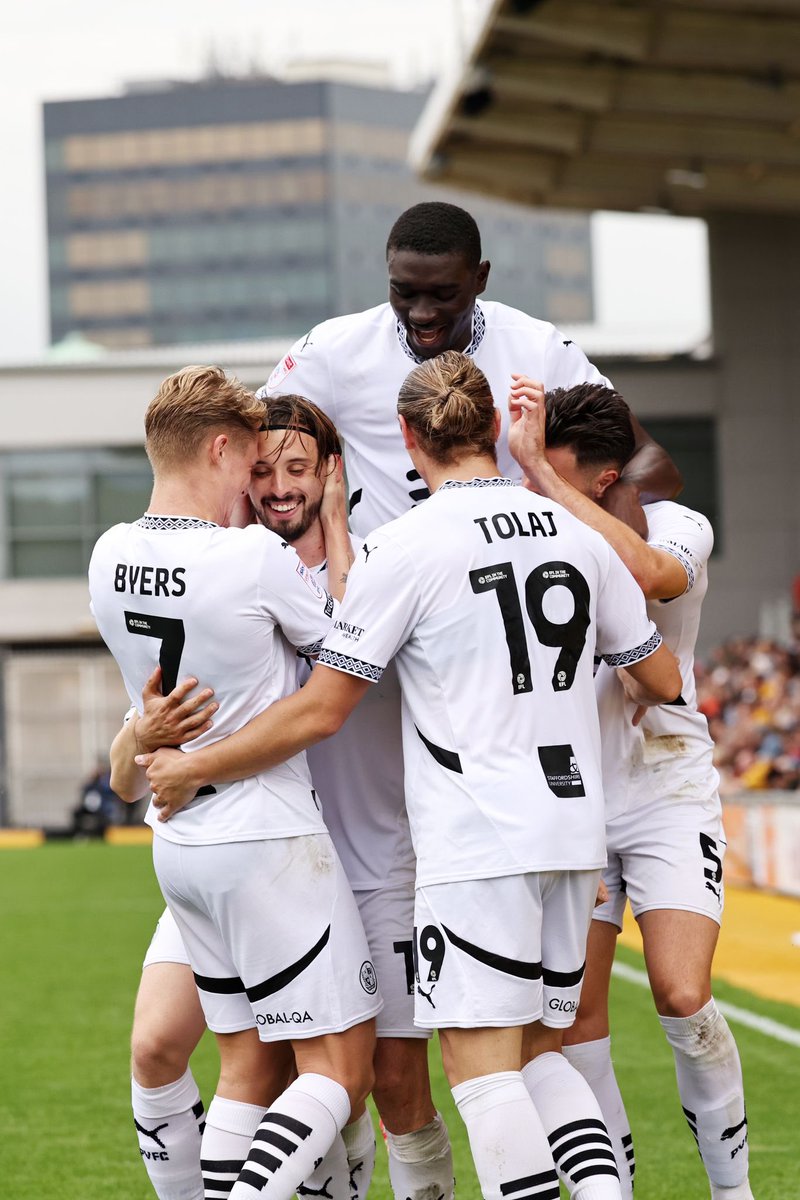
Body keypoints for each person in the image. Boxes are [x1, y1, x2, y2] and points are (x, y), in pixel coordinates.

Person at [137, 352, 682, 1200]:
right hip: (576, 831)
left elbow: (325, 707)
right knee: (541, 1052)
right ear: (493, 429)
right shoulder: (576, 535)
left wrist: (189, 764)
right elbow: (662, 680)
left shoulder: (403, 547)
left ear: (402, 438)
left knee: (478, 1068)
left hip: (476, 838)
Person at [112, 395, 453, 1200]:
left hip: (368, 861)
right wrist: (145, 742)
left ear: (332, 473)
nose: (276, 487)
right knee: (174, 1049)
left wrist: (339, 539)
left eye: (297, 468)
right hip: (258, 850)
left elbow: (331, 700)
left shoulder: (386, 568)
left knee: (384, 1084)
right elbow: (136, 745)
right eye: (261, 468)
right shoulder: (223, 566)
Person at [507, 380, 754, 1200]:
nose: (546, 488)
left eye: (564, 476)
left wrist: (541, 479)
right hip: (574, 793)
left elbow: (648, 573)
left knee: (684, 997)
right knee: (576, 1022)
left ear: (609, 480)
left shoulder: (682, 526)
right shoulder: (531, 514)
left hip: (666, 787)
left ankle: (733, 1192)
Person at [260, 200, 681, 536]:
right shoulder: (336, 349)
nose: (421, 314)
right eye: (403, 292)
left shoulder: (538, 346)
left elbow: (647, 454)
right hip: (386, 589)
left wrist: (629, 489)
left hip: (508, 580)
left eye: (444, 294)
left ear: (480, 278)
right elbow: (246, 444)